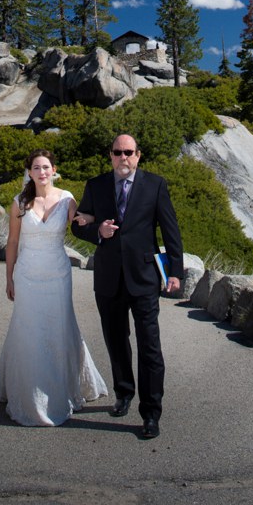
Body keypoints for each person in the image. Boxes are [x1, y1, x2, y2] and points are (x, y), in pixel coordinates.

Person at [74, 132, 183, 441]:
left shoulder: (155, 185)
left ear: (138, 155)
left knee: (150, 346)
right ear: (110, 155)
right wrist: (99, 231)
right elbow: (78, 225)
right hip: (108, 279)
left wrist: (176, 271)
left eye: (129, 152)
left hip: (144, 277)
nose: (123, 158)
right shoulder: (95, 186)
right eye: (118, 152)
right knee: (116, 340)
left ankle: (151, 412)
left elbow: (170, 229)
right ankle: (124, 392)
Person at [0, 148, 107, 427]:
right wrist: (9, 277)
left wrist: (94, 221)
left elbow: (80, 222)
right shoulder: (20, 202)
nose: (42, 172)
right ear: (29, 172)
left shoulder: (66, 198)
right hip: (27, 275)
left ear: (54, 169)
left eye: (46, 167)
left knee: (59, 327)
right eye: (36, 168)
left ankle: (61, 390)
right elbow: (13, 243)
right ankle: (28, 392)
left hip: (57, 274)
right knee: (28, 329)